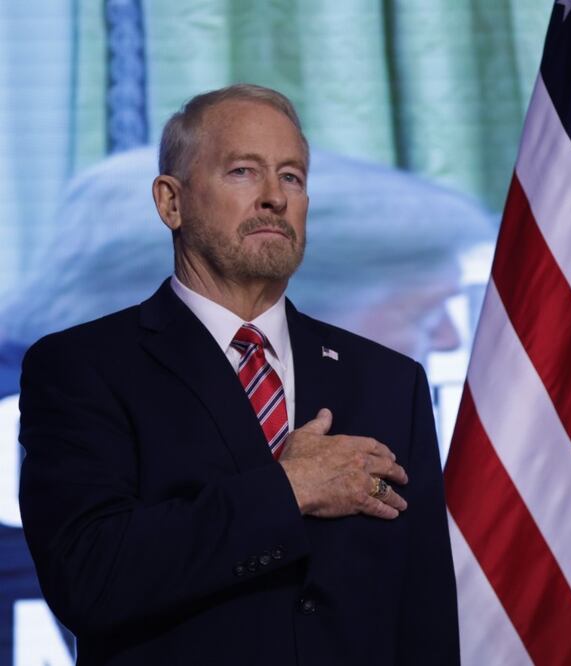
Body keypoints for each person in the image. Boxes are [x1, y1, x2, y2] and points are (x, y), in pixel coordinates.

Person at [16, 84, 460, 664]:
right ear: (170, 202)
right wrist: (289, 488)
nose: (275, 196)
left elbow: (422, 615)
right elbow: (91, 577)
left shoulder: (388, 381)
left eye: (292, 176)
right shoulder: (82, 367)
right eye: (243, 172)